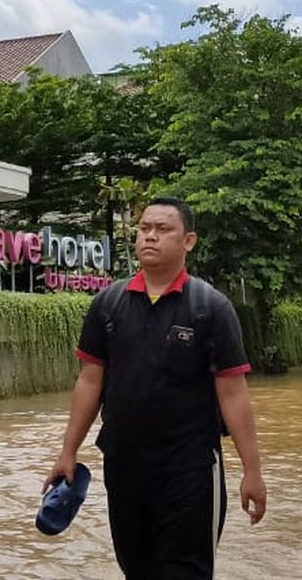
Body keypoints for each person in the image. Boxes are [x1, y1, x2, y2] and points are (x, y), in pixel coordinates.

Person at [44, 197, 266, 578]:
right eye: (144, 229)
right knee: (138, 569)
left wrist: (253, 471)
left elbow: (233, 393)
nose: (150, 237)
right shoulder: (107, 305)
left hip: (190, 470)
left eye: (163, 230)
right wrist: (68, 451)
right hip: (124, 466)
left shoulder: (210, 308)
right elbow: (89, 380)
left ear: (189, 241)